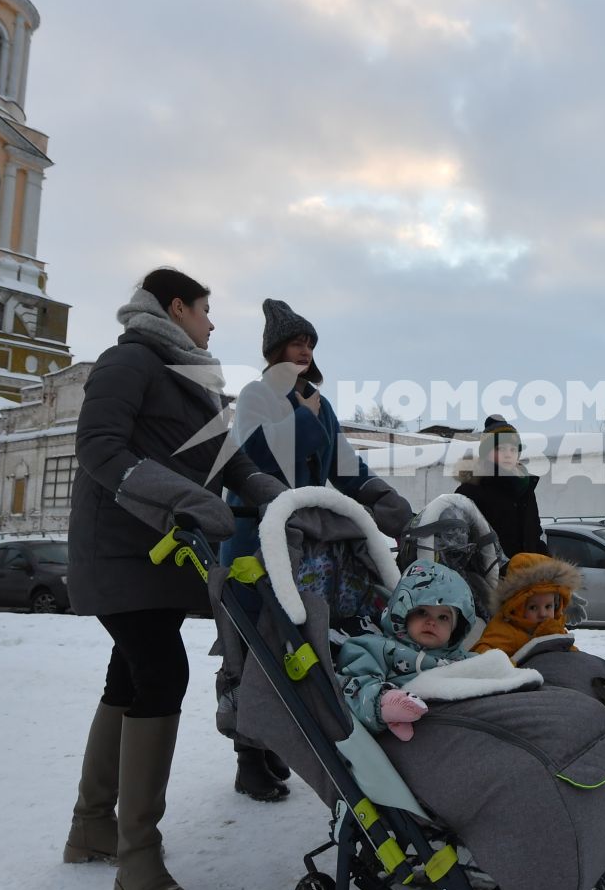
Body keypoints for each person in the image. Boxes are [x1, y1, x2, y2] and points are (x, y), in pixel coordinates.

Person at [64, 267, 285, 890]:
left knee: (129, 676)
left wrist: (285, 499)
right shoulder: (129, 361)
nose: (213, 325)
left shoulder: (192, 380)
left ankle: (91, 827)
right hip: (120, 550)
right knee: (161, 669)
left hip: (162, 555)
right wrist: (184, 499)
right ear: (177, 306)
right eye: (206, 311)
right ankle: (137, 860)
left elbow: (232, 464)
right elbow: (98, 448)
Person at [221, 299, 415, 798]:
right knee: (255, 646)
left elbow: (346, 468)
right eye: (296, 341)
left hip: (309, 544)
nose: (305, 349)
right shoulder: (255, 395)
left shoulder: (319, 405)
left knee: (302, 646)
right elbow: (253, 460)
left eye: (310, 342)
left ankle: (281, 739)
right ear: (274, 350)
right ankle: (248, 755)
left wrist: (380, 498)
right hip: (256, 541)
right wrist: (304, 418)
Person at [332, 560, 481, 741]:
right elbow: (354, 684)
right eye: (422, 612)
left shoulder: (462, 658)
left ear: (455, 629)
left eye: (443, 617)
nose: (432, 622)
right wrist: (384, 702)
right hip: (414, 728)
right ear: (404, 612)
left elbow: (485, 672)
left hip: (465, 719)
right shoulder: (376, 647)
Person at [454, 415, 546, 559]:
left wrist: (548, 563)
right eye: (500, 449)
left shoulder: (526, 489)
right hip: (490, 578)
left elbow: (535, 537)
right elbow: (458, 543)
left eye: (513, 449)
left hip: (528, 575)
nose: (508, 455)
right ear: (485, 453)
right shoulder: (470, 491)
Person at [473, 551, 581, 658]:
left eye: (548, 606)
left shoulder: (555, 627)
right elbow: (483, 653)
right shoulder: (506, 631)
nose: (543, 614)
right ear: (517, 607)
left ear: (557, 606)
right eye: (533, 607)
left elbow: (568, 651)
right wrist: (508, 668)